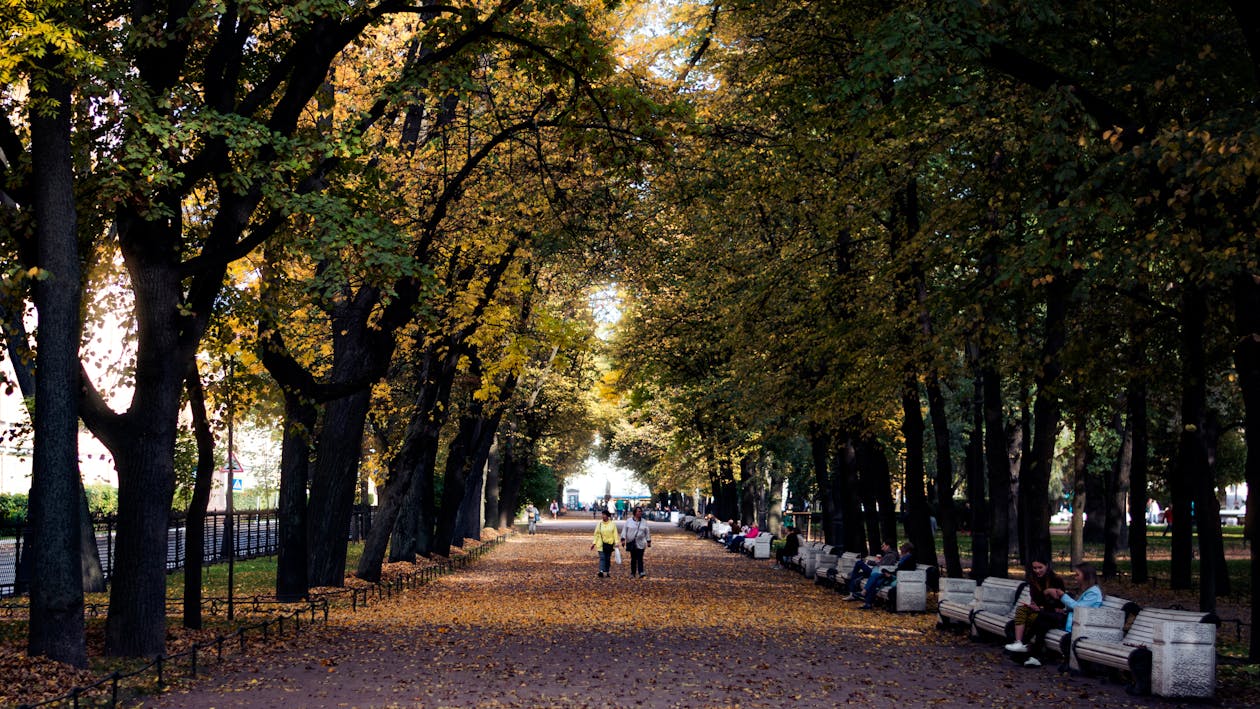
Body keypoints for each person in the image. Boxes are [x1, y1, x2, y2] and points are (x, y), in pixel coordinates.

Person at [1016, 562, 1103, 667]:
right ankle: (1034, 656)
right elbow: (1078, 607)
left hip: (1078, 625)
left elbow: (1079, 609)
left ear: (1087, 576)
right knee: (1042, 623)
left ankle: (1023, 645)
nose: (1075, 577)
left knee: (1042, 616)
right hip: (1073, 620)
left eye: (1077, 574)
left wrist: (1063, 596)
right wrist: (1064, 610)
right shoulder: (1088, 590)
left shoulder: (1093, 592)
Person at [1002, 559, 1065, 653]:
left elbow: (1060, 603)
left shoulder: (1056, 579)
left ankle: (1026, 646)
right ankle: (1018, 642)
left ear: (1047, 566)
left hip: (1050, 613)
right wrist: (1046, 592)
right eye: (1034, 568)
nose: (1037, 571)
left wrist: (1042, 606)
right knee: (1021, 610)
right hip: (1038, 609)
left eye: (1040, 567)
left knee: (1034, 619)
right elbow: (1036, 599)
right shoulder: (1033, 579)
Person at [858, 542, 915, 609]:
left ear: (907, 551)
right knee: (876, 579)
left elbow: (905, 573)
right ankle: (867, 601)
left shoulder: (909, 560)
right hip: (895, 576)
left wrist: (890, 575)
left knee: (876, 580)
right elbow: (898, 570)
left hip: (899, 579)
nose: (901, 553)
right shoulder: (905, 559)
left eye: (902, 551)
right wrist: (888, 572)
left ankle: (866, 596)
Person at [621, 507, 652, 578]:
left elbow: (647, 532)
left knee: (640, 557)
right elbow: (624, 530)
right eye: (638, 511)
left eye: (641, 511)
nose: (640, 513)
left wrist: (648, 540)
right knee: (633, 558)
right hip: (631, 542)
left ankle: (641, 572)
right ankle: (633, 573)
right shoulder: (629, 521)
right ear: (635, 512)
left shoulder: (644, 522)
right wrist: (623, 539)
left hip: (641, 542)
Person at [590, 510, 619, 577]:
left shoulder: (612, 524)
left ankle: (607, 571)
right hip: (601, 544)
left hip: (609, 544)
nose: (603, 516)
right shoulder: (599, 524)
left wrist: (616, 542)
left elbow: (615, 534)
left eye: (604, 515)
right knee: (602, 558)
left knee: (607, 558)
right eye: (602, 514)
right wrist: (594, 543)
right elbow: (596, 534)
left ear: (608, 516)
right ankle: (601, 571)